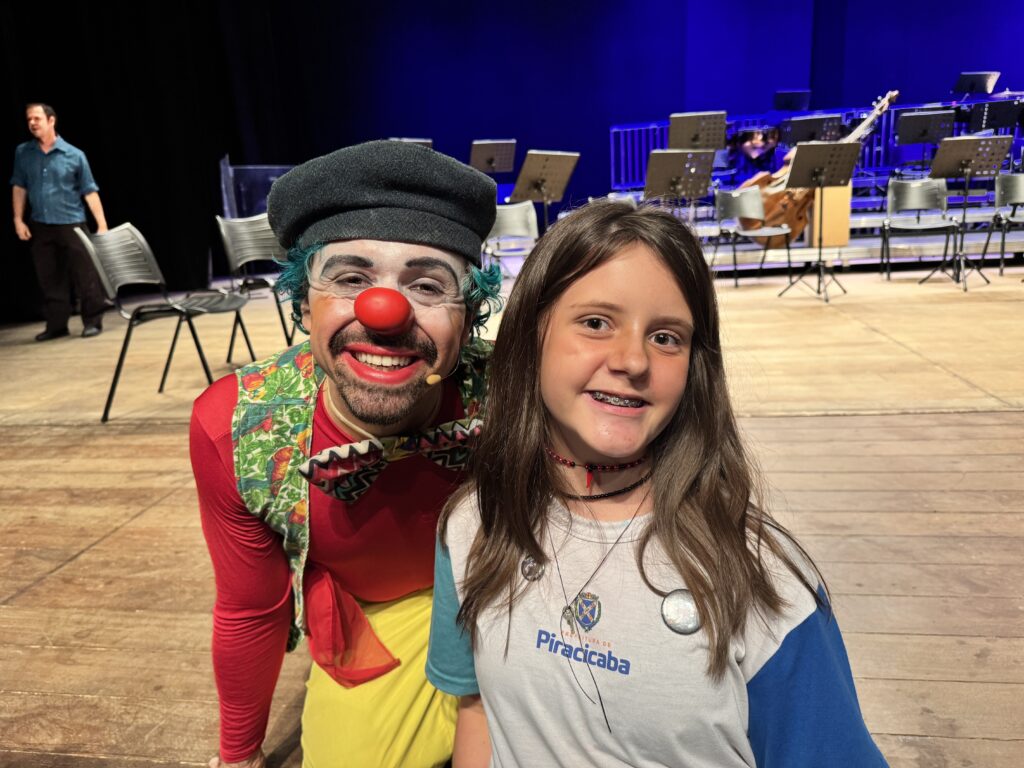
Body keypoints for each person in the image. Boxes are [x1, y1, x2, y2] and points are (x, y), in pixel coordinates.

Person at [427, 200, 888, 767]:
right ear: (530, 335)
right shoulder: (473, 525)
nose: (633, 360)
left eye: (667, 337)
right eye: (596, 323)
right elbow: (478, 708)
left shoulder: (759, 581)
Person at [190, 140, 501, 768]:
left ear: (468, 318)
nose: (383, 312)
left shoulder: (516, 393)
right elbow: (251, 610)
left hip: (506, 592)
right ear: (304, 305)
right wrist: (238, 756)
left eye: (427, 285)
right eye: (351, 278)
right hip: (381, 613)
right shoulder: (238, 428)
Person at [10, 102, 109, 340]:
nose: (32, 123)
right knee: (50, 277)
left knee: (85, 275)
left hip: (71, 222)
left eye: (37, 118)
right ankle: (57, 325)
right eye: (29, 119)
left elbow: (89, 191)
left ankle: (92, 321)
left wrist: (102, 224)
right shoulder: (24, 152)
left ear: (51, 120)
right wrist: (18, 219)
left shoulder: (74, 155)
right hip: (41, 223)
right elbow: (19, 186)